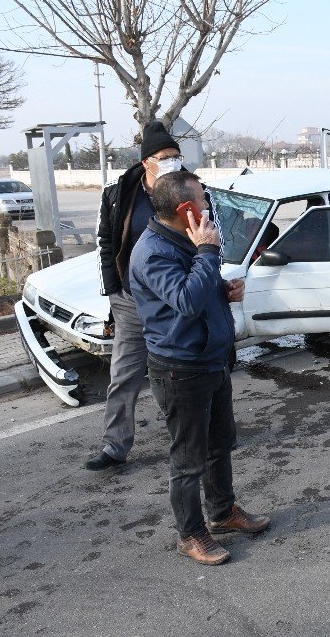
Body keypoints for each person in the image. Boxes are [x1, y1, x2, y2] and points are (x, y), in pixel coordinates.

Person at [129, 170, 269, 565]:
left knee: (219, 444)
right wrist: (208, 253)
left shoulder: (183, 237)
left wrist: (222, 292)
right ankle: (191, 534)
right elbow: (186, 301)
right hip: (181, 368)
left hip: (210, 361)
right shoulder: (154, 250)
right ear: (186, 208)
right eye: (204, 201)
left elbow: (197, 291)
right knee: (188, 458)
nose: (209, 208)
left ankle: (223, 513)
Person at [85, 121, 185, 471]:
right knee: (124, 374)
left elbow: (209, 236)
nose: (173, 163)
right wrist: (113, 291)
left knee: (183, 372)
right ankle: (115, 446)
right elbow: (106, 243)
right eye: (165, 157)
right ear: (147, 162)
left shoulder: (189, 188)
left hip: (175, 299)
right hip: (130, 301)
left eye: (177, 156)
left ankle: (199, 436)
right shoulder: (118, 194)